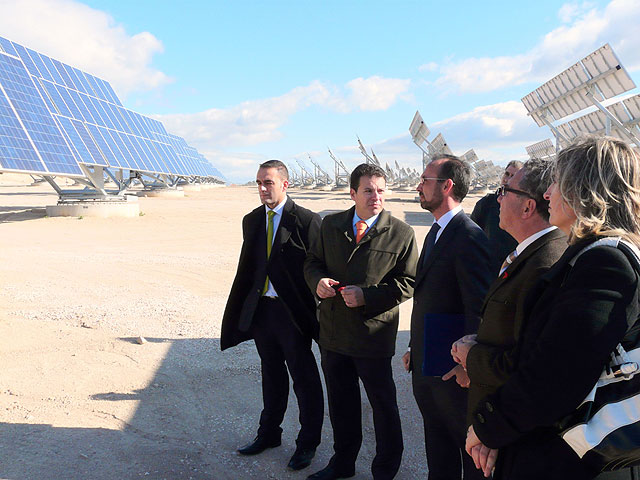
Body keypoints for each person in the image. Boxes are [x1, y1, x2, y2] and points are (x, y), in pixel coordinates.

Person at [466, 136, 640, 479]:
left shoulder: (606, 262)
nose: (547, 194)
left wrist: (489, 428)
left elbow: (555, 375)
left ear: (583, 189)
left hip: (568, 459)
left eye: (557, 182)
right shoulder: (597, 255)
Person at [304, 163, 418, 480]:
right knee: (342, 404)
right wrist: (317, 282)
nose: (375, 197)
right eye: (368, 190)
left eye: (380, 190)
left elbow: (409, 282)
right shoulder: (331, 225)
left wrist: (368, 296)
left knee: (383, 406)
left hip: (373, 335)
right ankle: (343, 463)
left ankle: (385, 470)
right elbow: (312, 261)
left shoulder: (401, 233)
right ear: (352, 193)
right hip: (334, 333)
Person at [220, 160, 324, 472]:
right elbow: (249, 267)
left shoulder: (306, 220)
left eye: (269, 182)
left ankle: (307, 443)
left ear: (284, 184)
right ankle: (269, 434)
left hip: (293, 314)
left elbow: (318, 267)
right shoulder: (252, 220)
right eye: (259, 183)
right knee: (271, 375)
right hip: (262, 311)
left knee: (304, 379)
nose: (263, 189)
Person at [450, 157, 566, 425]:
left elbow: (531, 367)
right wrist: (478, 341)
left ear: (528, 207)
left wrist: (472, 357)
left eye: (505, 191)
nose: (498, 199)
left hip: (508, 425)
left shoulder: (545, 265)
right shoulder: (527, 254)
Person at [402, 154, 492, 480]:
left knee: (468, 457)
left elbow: (478, 309)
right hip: (430, 367)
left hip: (455, 376)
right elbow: (431, 299)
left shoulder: (468, 236)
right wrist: (414, 347)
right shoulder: (437, 231)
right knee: (439, 454)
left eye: (425, 180)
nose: (418, 187)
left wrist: (469, 366)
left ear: (447, 186)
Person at [471, 161, 523, 276]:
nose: (507, 179)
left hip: (512, 270)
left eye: (513, 176)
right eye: (507, 174)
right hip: (485, 269)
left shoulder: (523, 208)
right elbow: (471, 235)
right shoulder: (486, 203)